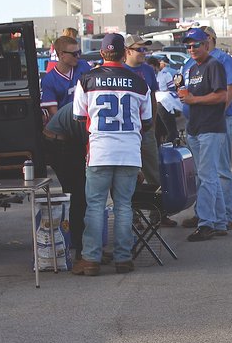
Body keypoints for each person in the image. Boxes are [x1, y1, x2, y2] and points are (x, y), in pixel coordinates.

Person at [71, 33, 152, 276]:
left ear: (102, 52)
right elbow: (146, 121)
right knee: (124, 206)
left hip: (99, 150)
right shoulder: (139, 82)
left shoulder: (86, 79)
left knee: (95, 206)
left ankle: (91, 260)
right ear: (124, 51)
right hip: (129, 151)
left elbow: (78, 118)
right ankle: (123, 258)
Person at [179, 28, 229, 242]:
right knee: (208, 177)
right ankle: (219, 221)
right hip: (196, 127)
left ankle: (206, 223)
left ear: (206, 44)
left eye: (196, 44)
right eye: (188, 45)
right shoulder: (192, 69)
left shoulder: (213, 65)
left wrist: (194, 100)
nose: (192, 49)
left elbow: (222, 95)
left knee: (207, 177)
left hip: (210, 127)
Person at [201, 26, 232, 232]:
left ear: (211, 39)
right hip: (199, 123)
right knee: (204, 171)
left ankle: (225, 213)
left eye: (204, 38)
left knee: (221, 168)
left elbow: (230, 88)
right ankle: (206, 213)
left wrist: (217, 113)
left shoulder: (223, 59)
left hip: (220, 119)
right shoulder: (194, 60)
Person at [42, 103, 89, 258]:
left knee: (79, 195)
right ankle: (81, 249)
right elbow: (89, 145)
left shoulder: (91, 101)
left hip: (65, 139)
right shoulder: (89, 110)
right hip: (59, 143)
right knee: (78, 195)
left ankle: (83, 245)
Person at [124, 35, 162, 189]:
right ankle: (131, 212)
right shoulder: (120, 70)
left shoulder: (148, 70)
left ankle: (158, 212)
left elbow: (153, 99)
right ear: (128, 51)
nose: (143, 52)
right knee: (128, 175)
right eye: (139, 49)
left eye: (145, 49)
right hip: (127, 131)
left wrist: (151, 125)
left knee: (154, 172)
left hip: (146, 130)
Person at [40, 35, 90, 118]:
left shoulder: (83, 66)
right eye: (74, 54)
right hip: (66, 124)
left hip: (86, 120)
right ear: (61, 54)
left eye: (79, 52)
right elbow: (54, 115)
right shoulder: (49, 80)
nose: (78, 56)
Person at [148, 56, 182, 145]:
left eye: (152, 67)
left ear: (156, 66)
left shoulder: (165, 75)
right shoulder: (148, 76)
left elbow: (171, 89)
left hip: (164, 100)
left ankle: (171, 135)